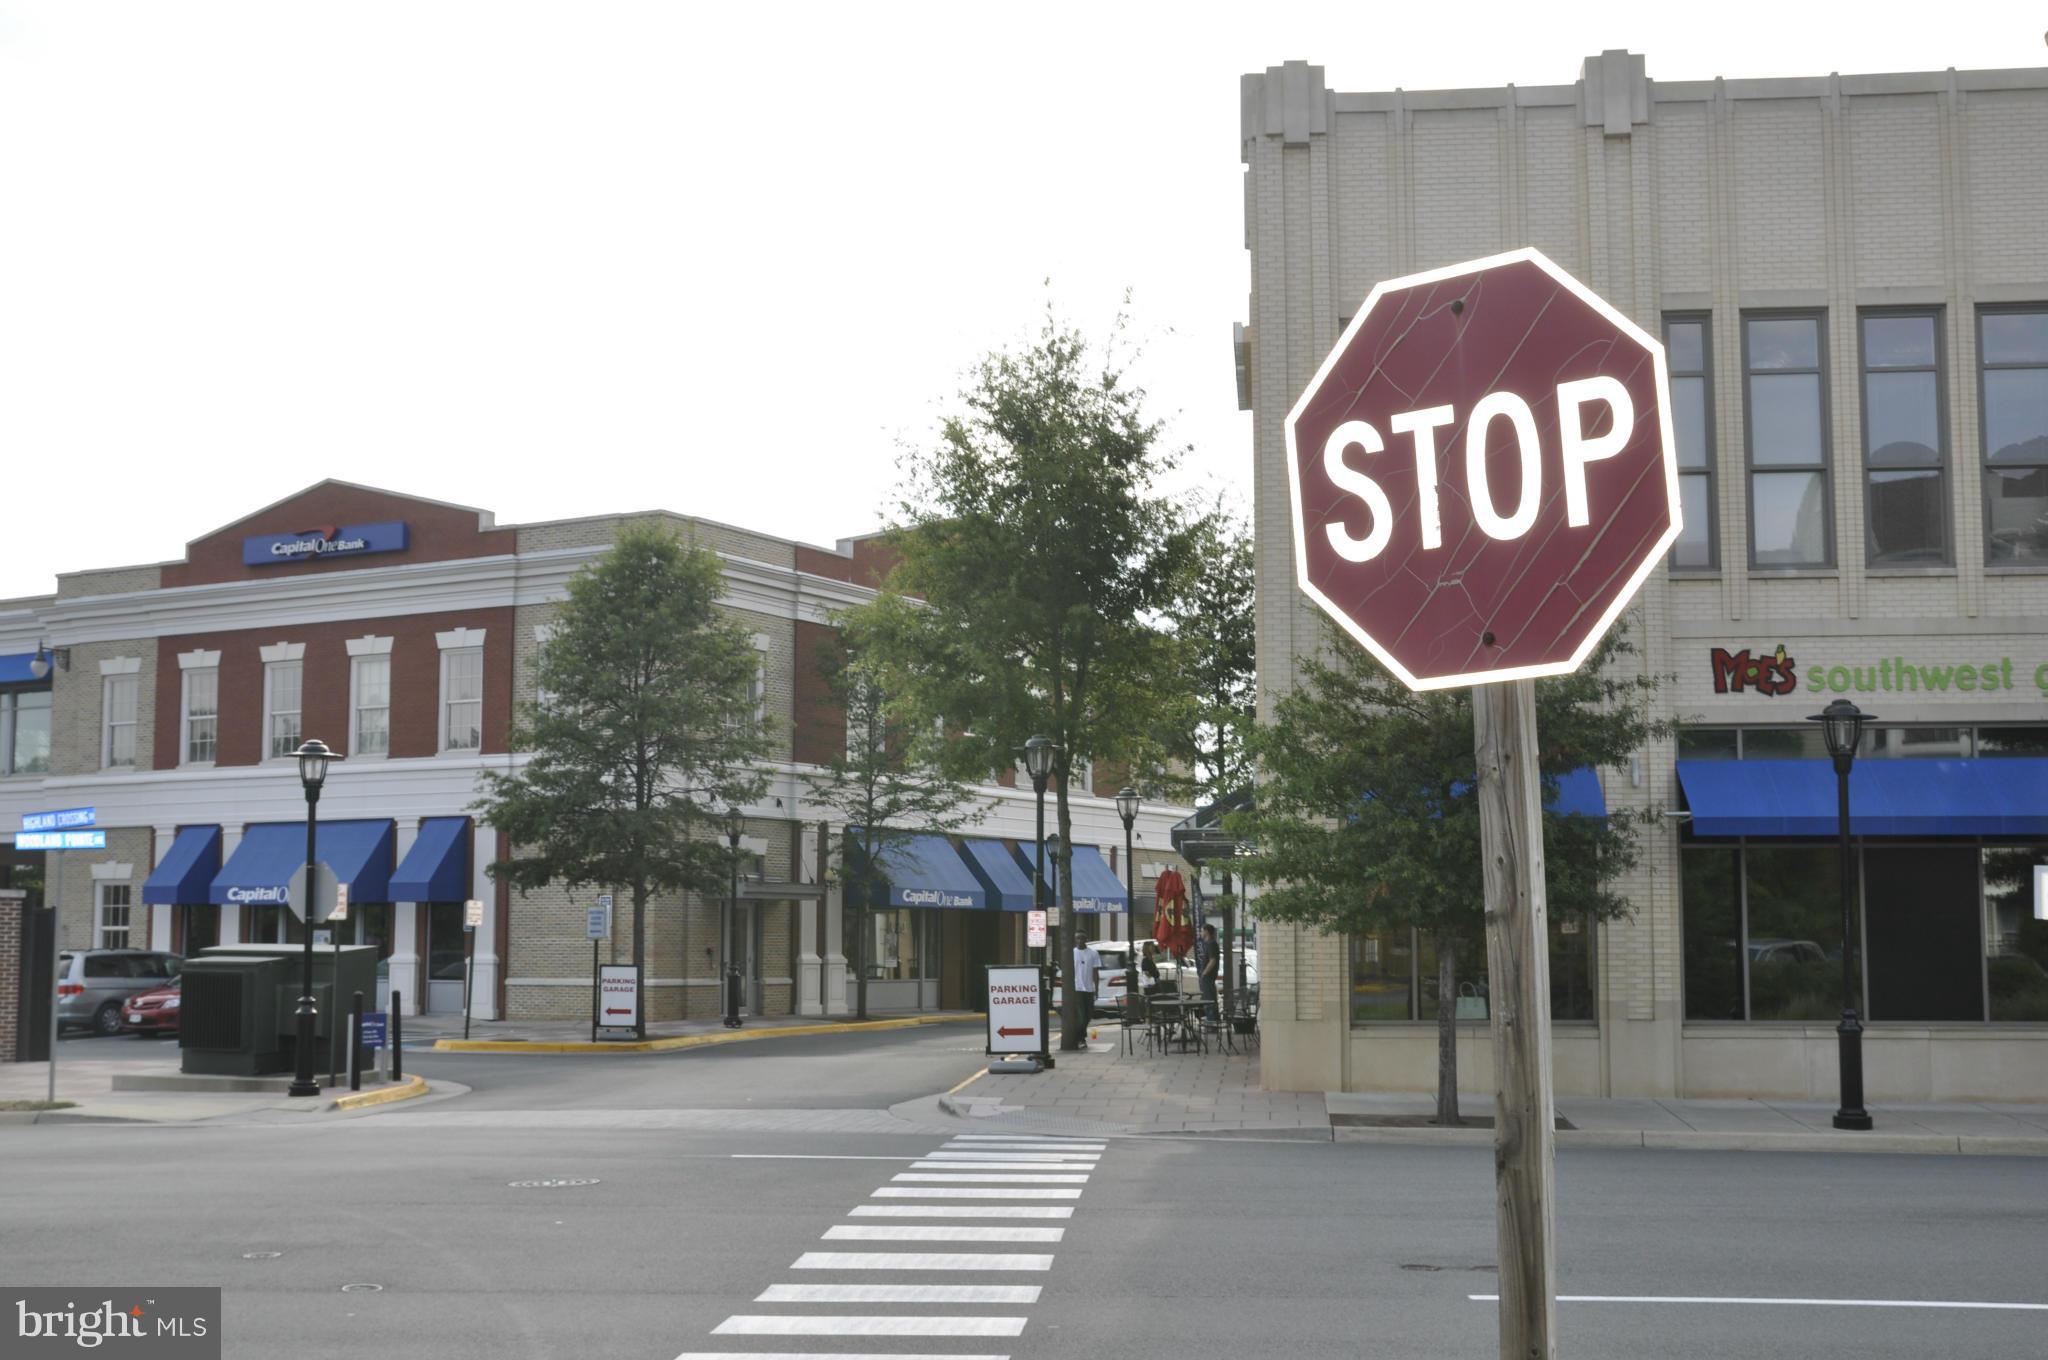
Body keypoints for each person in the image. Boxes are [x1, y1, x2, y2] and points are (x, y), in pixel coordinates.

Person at [1070, 940, 1101, 1040]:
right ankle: (1080, 1037)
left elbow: (1095, 972)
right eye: (1077, 938)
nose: (1079, 940)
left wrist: (1096, 989)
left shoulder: (1093, 953)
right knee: (1082, 1016)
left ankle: (1079, 1036)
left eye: (1081, 938)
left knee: (1089, 1014)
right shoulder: (1072, 953)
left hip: (1089, 988)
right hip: (1077, 988)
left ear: (1085, 939)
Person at [1195, 923, 1221, 1026]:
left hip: (1208, 977)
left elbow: (1213, 960)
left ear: (1206, 931)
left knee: (1208, 1000)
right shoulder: (1210, 943)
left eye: (1201, 930)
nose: (1201, 933)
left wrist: (1204, 973)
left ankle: (1212, 1022)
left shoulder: (1211, 944)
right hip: (1208, 977)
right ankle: (1212, 1020)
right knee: (1208, 999)